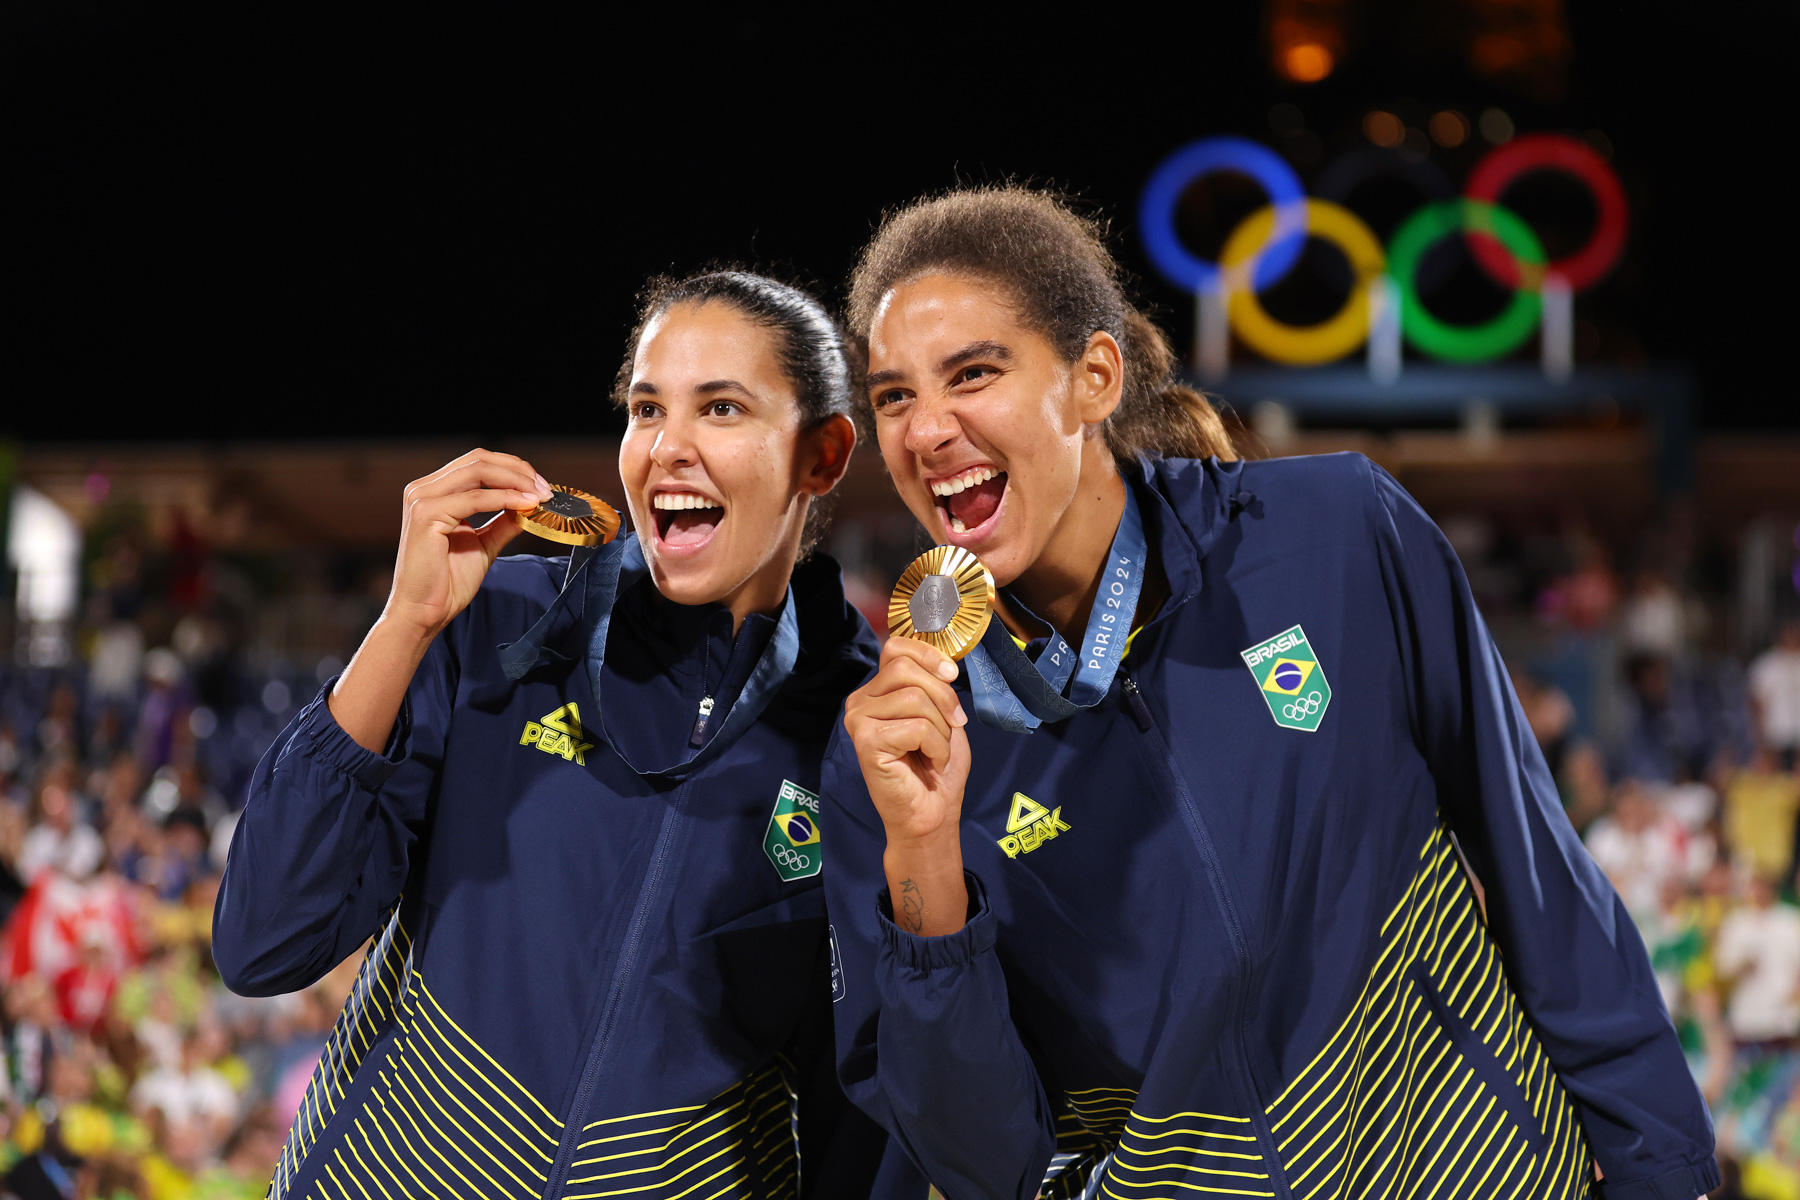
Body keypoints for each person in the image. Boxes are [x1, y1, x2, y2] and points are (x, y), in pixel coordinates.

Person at [824, 187, 1717, 1200]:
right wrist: (924, 858)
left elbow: (1536, 869)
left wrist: (1664, 1168)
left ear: (1094, 377)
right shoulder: (888, 759)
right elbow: (986, 1166)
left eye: (974, 374)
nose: (927, 428)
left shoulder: (1337, 538)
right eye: (893, 396)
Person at [213, 271, 924, 1199]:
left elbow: (858, 1129)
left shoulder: (864, 734)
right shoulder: (500, 627)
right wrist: (402, 625)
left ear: (822, 455)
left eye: (720, 409)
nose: (668, 447)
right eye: (646, 408)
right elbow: (264, 943)